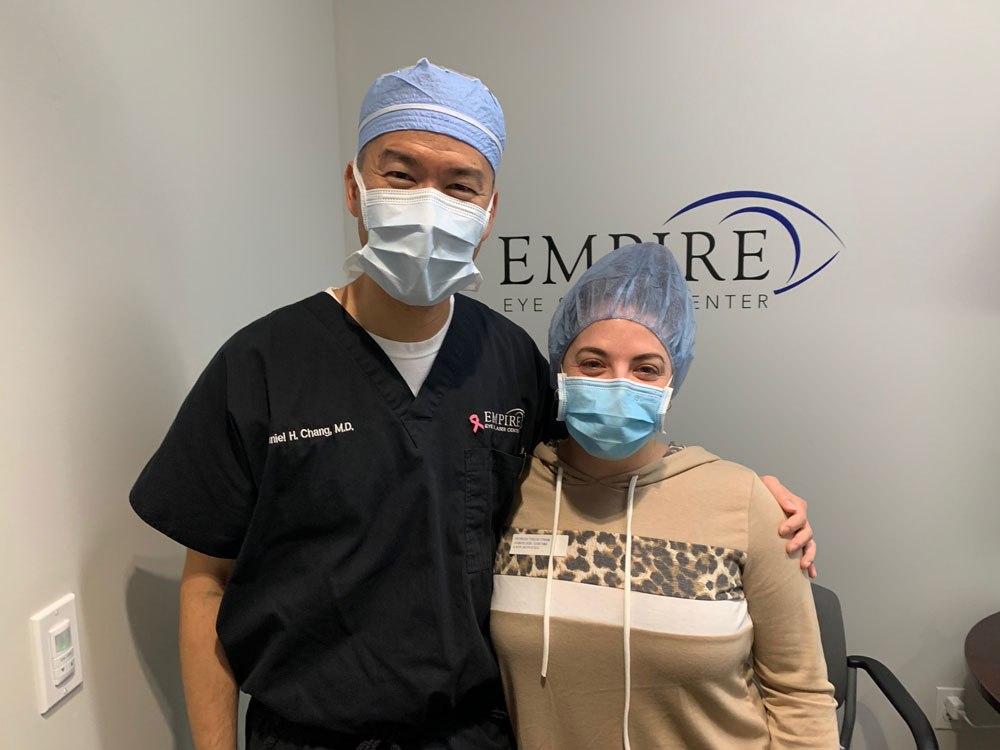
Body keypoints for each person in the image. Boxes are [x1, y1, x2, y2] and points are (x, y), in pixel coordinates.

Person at [130, 60, 816, 750]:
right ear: (353, 186)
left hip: (474, 732)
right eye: (400, 174)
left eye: (460, 185)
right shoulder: (262, 364)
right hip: (309, 733)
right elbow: (207, 585)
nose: (430, 202)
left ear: (488, 212)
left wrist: (750, 504)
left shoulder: (510, 360)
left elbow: (595, 463)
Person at [490, 242, 838, 749]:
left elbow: (799, 693)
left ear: (673, 379)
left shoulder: (743, 501)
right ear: (559, 371)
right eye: (593, 363)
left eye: (646, 368)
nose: (618, 383)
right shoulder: (511, 491)